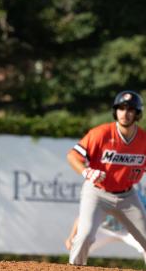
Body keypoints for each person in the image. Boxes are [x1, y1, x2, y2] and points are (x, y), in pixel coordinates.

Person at [67, 90, 146, 265]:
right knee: (84, 235)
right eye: (121, 108)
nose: (125, 113)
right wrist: (86, 172)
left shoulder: (143, 140)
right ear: (115, 111)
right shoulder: (101, 133)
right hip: (97, 193)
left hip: (128, 197)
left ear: (137, 114)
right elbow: (73, 156)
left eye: (130, 109)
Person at [65, 215, 146, 263]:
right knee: (77, 244)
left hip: (128, 231)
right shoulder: (101, 196)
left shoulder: (134, 196)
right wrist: (70, 237)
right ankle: (75, 267)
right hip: (104, 230)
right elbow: (82, 217)